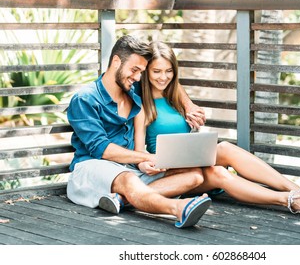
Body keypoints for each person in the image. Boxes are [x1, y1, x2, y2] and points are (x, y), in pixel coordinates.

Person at [134, 41, 300, 214]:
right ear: (146, 72)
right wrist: (145, 163)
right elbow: (138, 152)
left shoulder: (174, 92)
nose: (163, 77)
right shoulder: (142, 103)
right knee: (219, 172)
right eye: (156, 71)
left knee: (225, 148)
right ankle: (286, 200)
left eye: (168, 71)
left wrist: (192, 115)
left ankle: (295, 190)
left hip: (192, 160)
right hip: (172, 172)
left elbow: (180, 94)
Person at [66, 35, 211, 228]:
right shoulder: (85, 99)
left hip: (129, 169)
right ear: (116, 61)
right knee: (128, 179)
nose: (137, 77)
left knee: (194, 175)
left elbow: (167, 75)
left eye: (141, 72)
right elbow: (102, 149)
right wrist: (144, 157)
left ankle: (122, 199)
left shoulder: (132, 92)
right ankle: (178, 208)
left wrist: (188, 105)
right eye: (134, 70)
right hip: (91, 167)